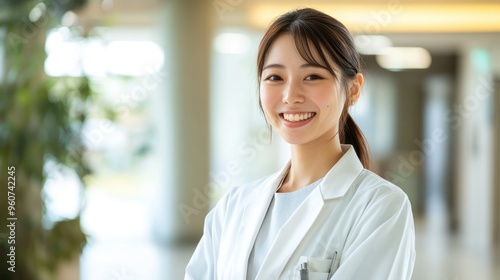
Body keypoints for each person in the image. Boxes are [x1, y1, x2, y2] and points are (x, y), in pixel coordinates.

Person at [185, 7, 415, 280]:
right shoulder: (234, 207)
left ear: (353, 90)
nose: (290, 95)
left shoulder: (380, 207)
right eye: (275, 77)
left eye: (313, 76)